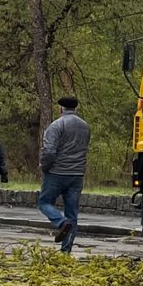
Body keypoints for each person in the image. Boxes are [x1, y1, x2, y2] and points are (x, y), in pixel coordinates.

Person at [38, 95, 90, 254]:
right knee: (72, 212)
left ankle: (60, 223)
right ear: (76, 108)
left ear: (60, 108)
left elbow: (49, 151)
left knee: (45, 202)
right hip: (76, 175)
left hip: (57, 172)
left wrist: (45, 167)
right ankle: (66, 250)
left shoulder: (56, 126)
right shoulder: (85, 127)